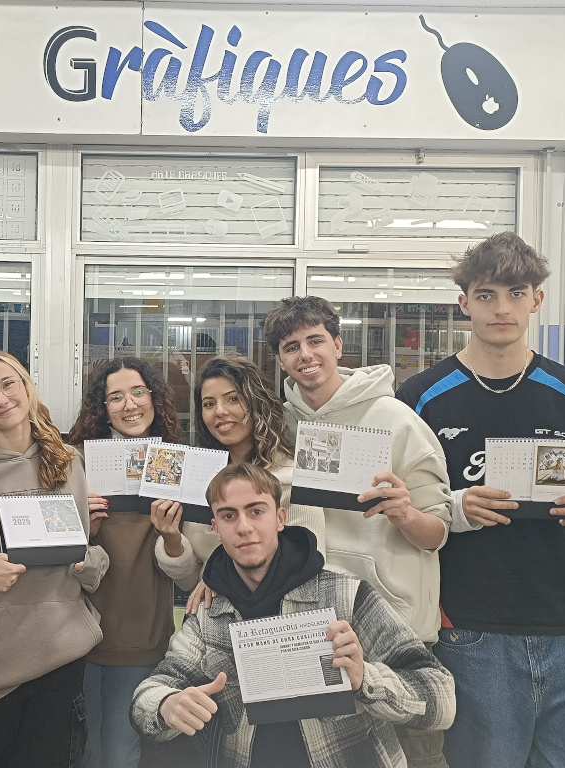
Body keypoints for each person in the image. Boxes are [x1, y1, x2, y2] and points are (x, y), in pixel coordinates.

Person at [395, 232, 565, 768]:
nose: (502, 308)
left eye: (516, 293)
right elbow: (405, 512)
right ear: (463, 303)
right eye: (486, 294)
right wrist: (457, 508)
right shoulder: (419, 398)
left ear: (537, 299)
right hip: (468, 627)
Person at [130, 462, 455, 768]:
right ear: (215, 528)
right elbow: (148, 697)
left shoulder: (346, 594)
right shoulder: (209, 615)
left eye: (256, 511)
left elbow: (441, 699)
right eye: (228, 516)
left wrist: (364, 679)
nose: (244, 527)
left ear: (280, 518)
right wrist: (167, 705)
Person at [262, 296, 453, 767]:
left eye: (315, 341)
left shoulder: (397, 420)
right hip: (311, 632)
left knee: (413, 757)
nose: (306, 355)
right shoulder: (280, 427)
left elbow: (437, 533)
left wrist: (405, 513)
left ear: (338, 344)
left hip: (393, 629)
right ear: (281, 360)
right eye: (291, 347)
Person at [0, 350, 109, 768]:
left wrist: (87, 562)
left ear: (26, 387)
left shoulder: (70, 461)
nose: (1, 399)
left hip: (63, 655)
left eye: (8, 384)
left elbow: (90, 555)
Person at [67, 357, 187, 768]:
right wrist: (79, 526)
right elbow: (53, 550)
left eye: (138, 392)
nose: (129, 404)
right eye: (115, 397)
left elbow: (186, 564)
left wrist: (172, 535)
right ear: (102, 408)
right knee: (83, 751)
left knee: (120, 753)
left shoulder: (175, 462)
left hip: (142, 629)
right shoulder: (75, 462)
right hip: (80, 630)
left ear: (155, 398)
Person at [159, 356, 325, 595]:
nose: (220, 411)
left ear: (256, 403)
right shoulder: (198, 483)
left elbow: (307, 569)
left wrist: (220, 577)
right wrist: (171, 539)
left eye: (233, 399)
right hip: (212, 615)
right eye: (209, 404)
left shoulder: (293, 481)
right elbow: (189, 582)